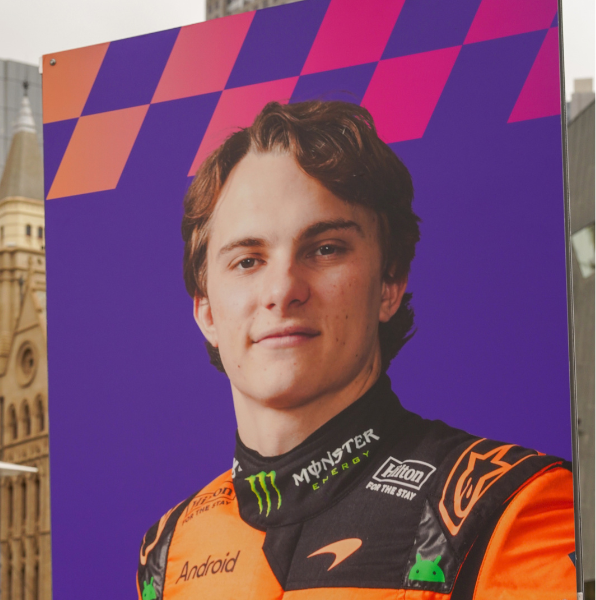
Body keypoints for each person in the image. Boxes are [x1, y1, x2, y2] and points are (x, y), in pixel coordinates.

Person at [136, 101, 576, 600]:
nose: (283, 289)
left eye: (325, 249)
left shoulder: (508, 510)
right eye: (247, 260)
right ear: (207, 311)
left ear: (389, 283)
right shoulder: (168, 550)